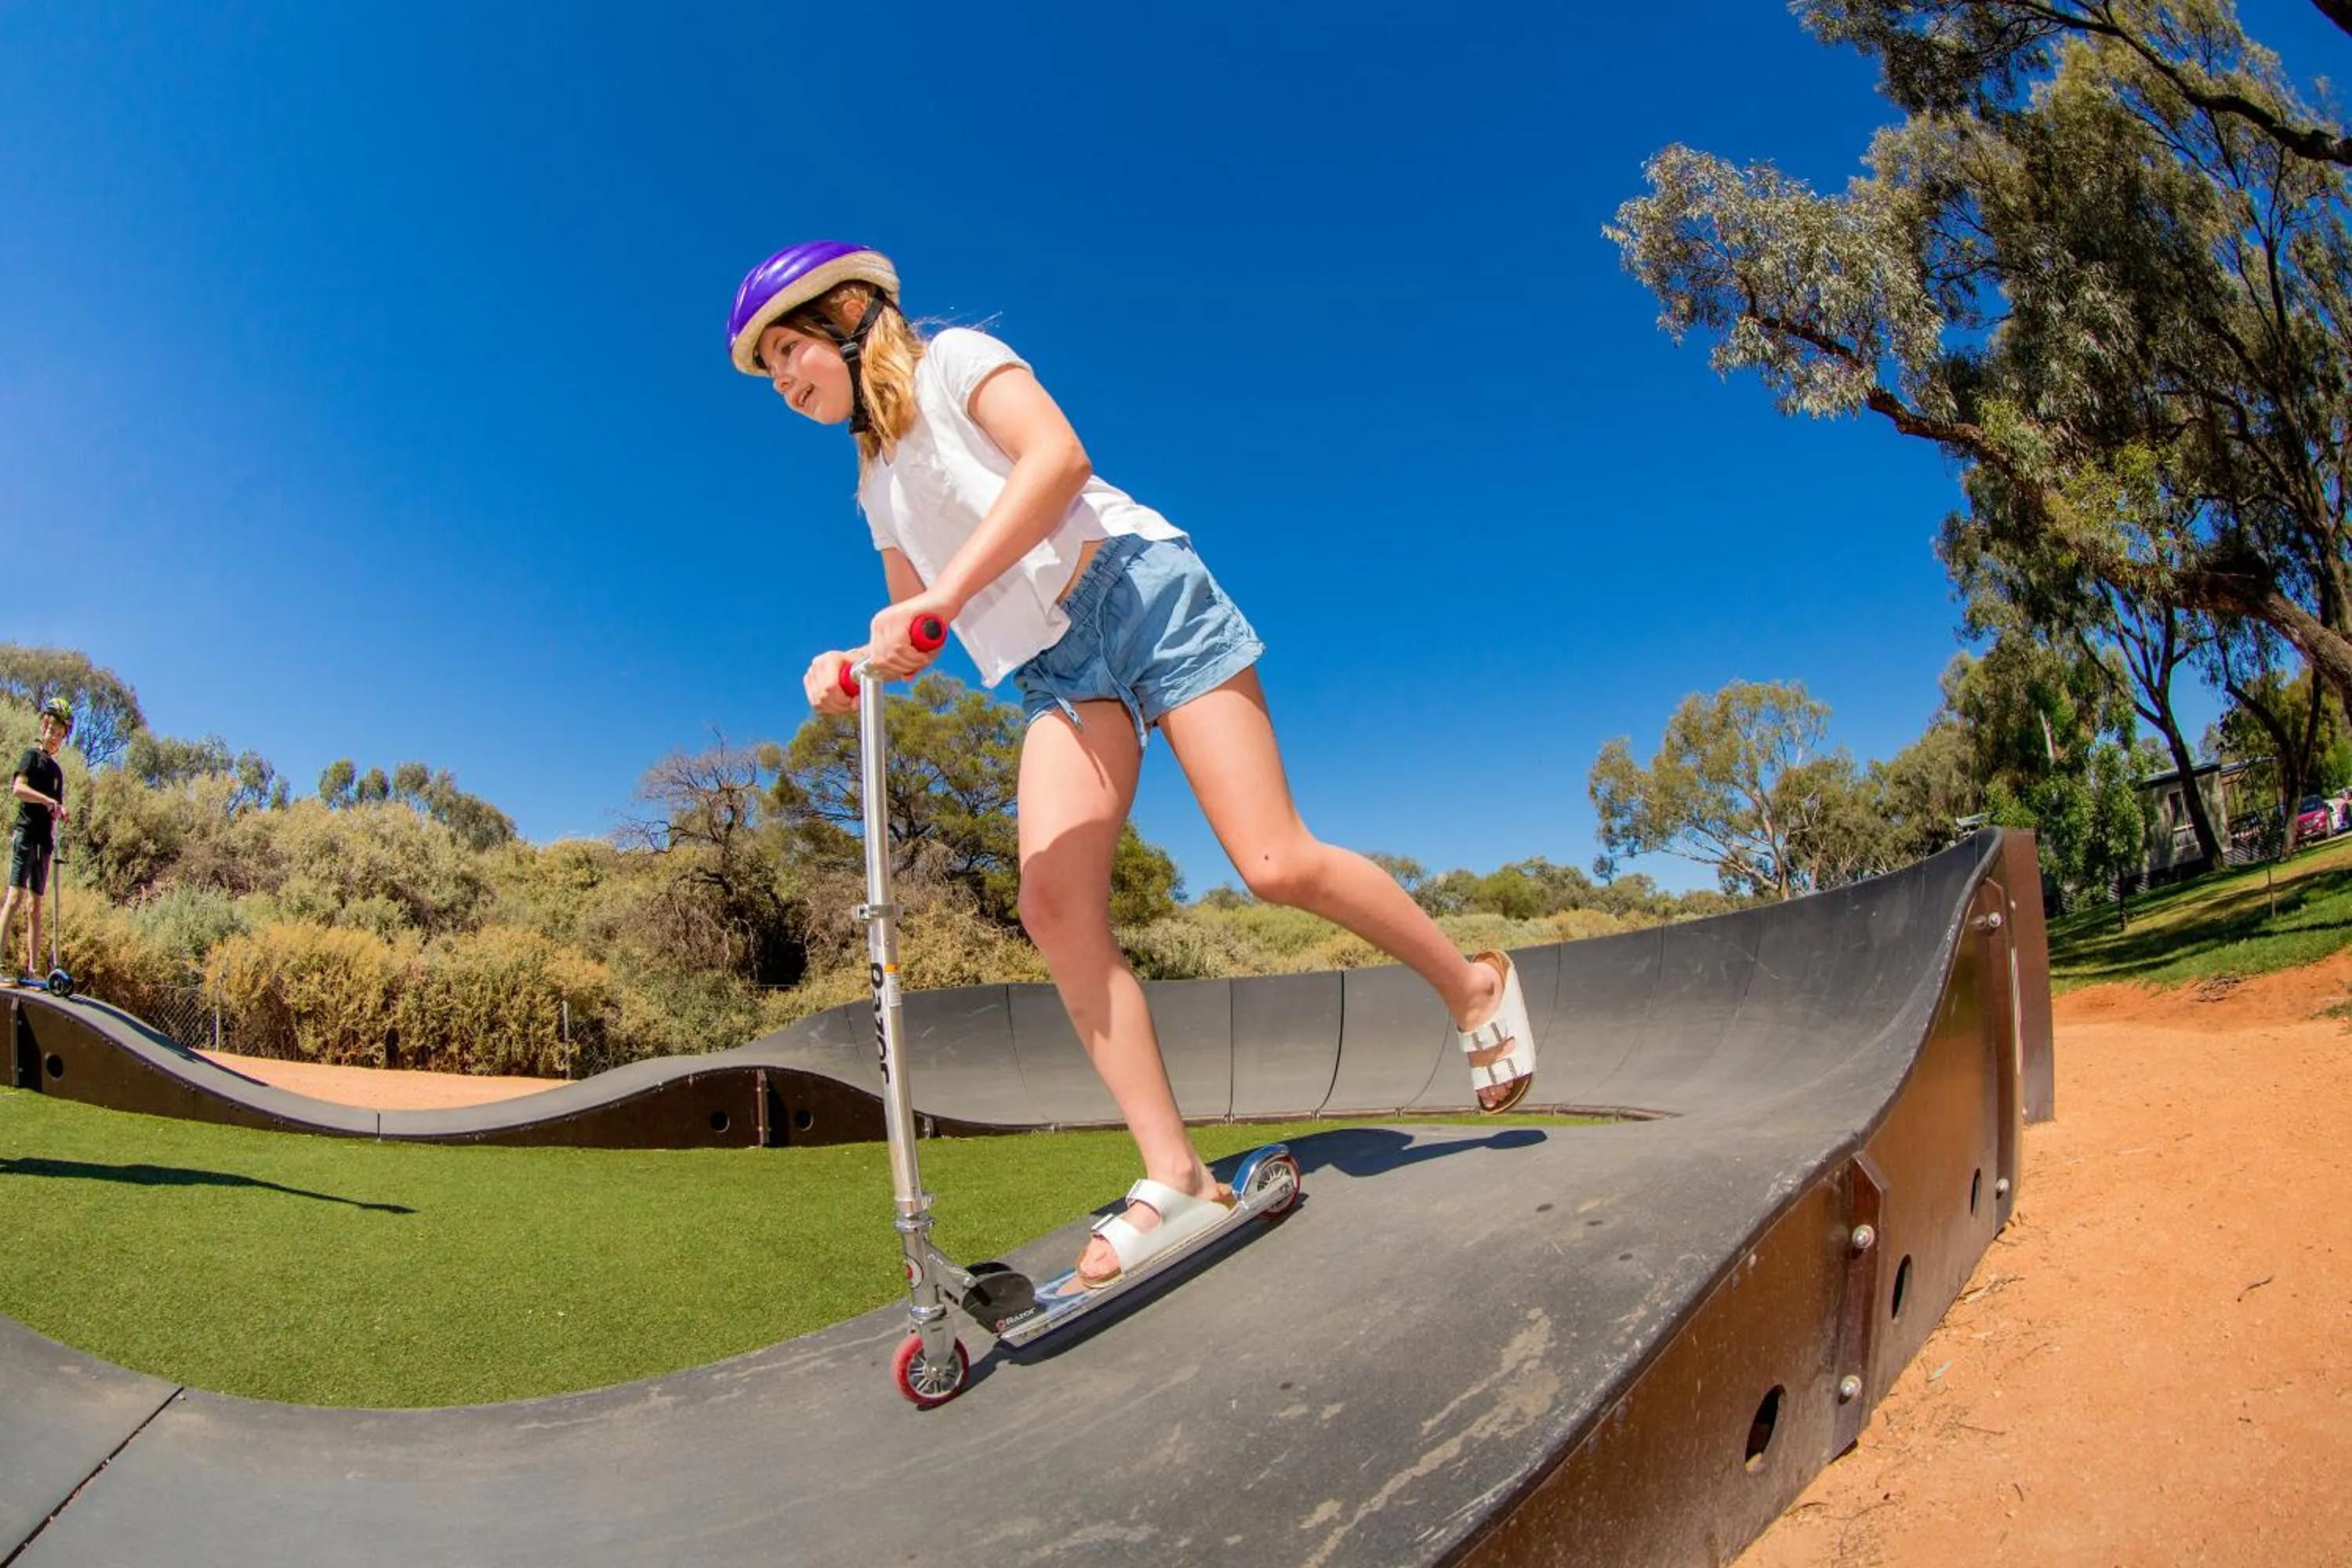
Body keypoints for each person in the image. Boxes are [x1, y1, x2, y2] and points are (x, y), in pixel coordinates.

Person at [730, 241, 1537, 1290]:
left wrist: (933, 604)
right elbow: (916, 624)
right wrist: (857, 660)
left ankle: (1472, 986)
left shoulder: (956, 361)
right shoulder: (877, 483)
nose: (785, 380)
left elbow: (1056, 460)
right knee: (1052, 904)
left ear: (847, 313)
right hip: (1055, 671)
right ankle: (1178, 1174)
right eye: (770, 371)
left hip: (1139, 589)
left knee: (1273, 861)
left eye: (790, 349)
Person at [2, 699, 73, 985]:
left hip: (45, 841)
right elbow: (18, 788)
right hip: (26, 834)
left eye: (60, 734)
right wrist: (47, 801)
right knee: (15, 897)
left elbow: (57, 805)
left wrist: (60, 810)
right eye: (52, 730)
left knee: (35, 905)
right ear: (44, 726)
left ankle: (33, 969)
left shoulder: (57, 772)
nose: (55, 737)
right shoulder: (31, 756)